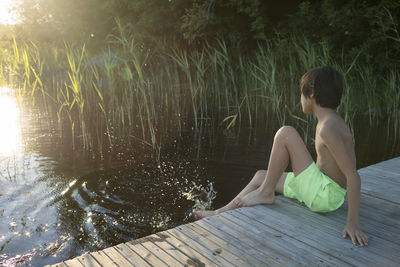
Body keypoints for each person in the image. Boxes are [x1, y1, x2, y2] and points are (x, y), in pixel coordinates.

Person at [193, 66, 368, 246]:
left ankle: (265, 193)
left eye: (301, 93)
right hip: (323, 188)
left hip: (324, 194)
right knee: (261, 176)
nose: (300, 98)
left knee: (286, 133)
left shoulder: (327, 127)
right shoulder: (332, 121)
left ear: (312, 93)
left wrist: (352, 223)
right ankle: (219, 213)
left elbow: (352, 175)